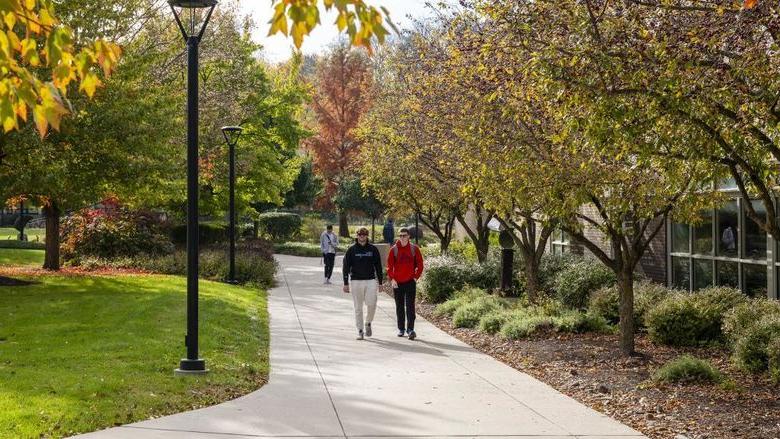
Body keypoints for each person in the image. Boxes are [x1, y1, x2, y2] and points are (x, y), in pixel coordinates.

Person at [343, 227, 383, 340]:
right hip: (356, 281)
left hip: (370, 280)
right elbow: (345, 267)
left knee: (372, 303)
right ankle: (360, 330)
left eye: (364, 234)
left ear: (367, 236)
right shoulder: (351, 250)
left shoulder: (373, 249)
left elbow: (378, 267)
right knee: (358, 307)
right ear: (357, 235)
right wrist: (345, 283)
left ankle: (368, 323)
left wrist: (380, 282)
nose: (362, 236)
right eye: (360, 234)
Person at [387, 227, 424, 340]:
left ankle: (410, 329)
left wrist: (415, 277)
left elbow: (420, 264)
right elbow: (389, 266)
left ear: (408, 236)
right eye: (401, 236)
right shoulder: (394, 250)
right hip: (397, 283)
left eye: (404, 235)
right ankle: (401, 329)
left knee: (410, 306)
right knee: (399, 307)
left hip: (410, 282)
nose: (402, 238)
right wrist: (392, 279)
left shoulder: (414, 249)